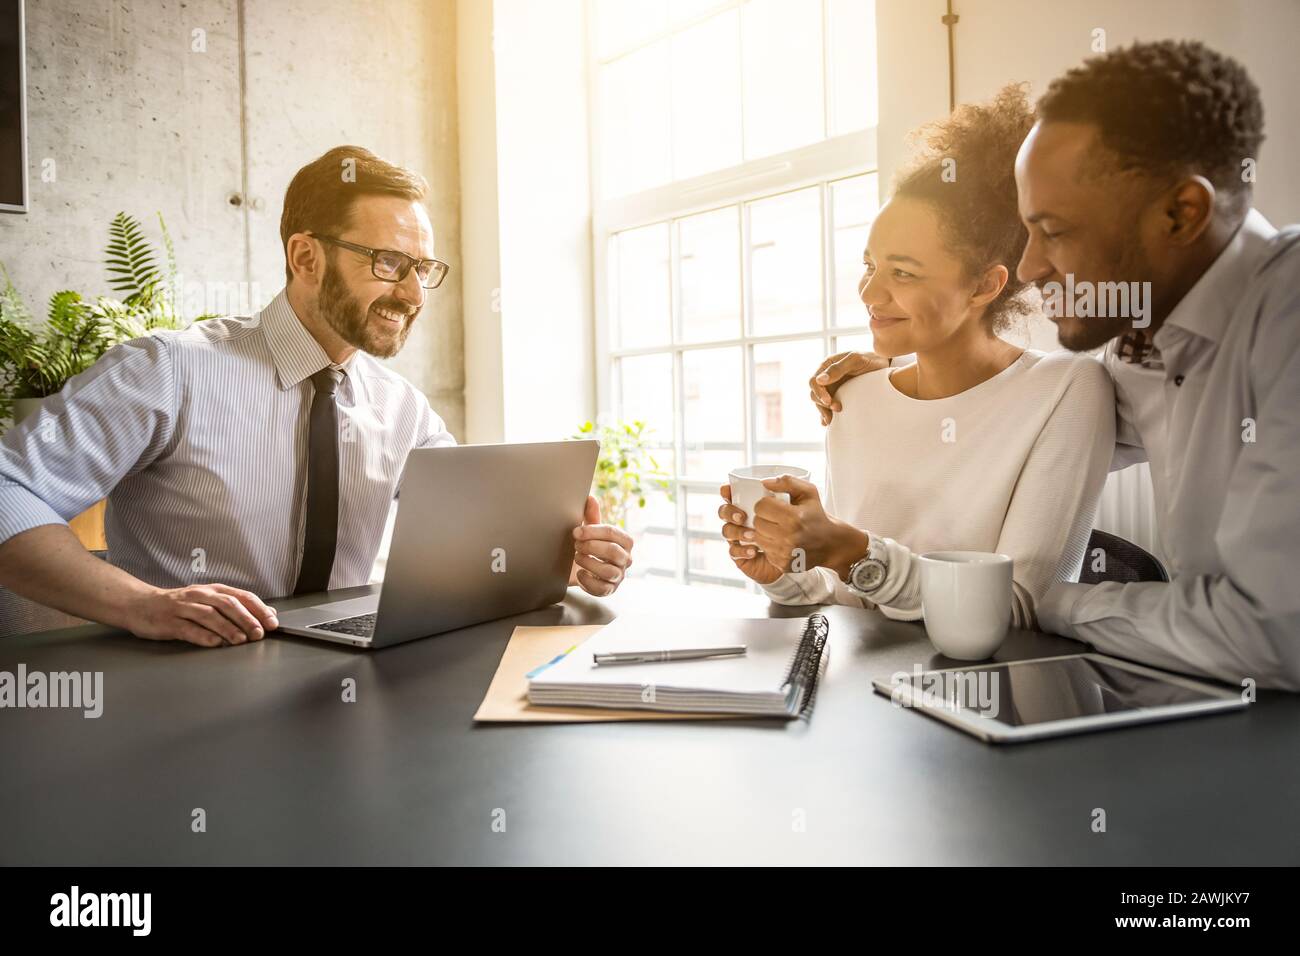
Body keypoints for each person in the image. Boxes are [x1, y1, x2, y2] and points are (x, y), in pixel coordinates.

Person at [0, 146, 633, 648]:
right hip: (181, 680)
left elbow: (474, 545)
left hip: (345, 680)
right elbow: (8, 491)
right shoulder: (170, 369)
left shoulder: (402, 409)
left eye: (424, 270)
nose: (413, 296)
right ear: (306, 257)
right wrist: (141, 603)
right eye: (389, 263)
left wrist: (562, 561)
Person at [810, 41, 1300, 690]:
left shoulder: (1286, 316)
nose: (1032, 268)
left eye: (1056, 231)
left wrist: (1026, 599)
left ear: (1182, 213)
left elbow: (1270, 636)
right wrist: (905, 370)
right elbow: (1015, 405)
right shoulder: (1146, 351)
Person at [718, 86, 1114, 629]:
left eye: (902, 272)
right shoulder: (852, 397)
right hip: (857, 698)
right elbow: (845, 598)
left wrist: (851, 551)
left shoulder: (1067, 390)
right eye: (869, 265)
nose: (869, 294)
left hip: (987, 698)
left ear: (984, 285)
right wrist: (785, 569)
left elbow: (1017, 609)